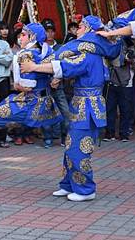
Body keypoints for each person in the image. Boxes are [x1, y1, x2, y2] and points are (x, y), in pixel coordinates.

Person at [19, 15, 121, 202]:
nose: (78, 29)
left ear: (90, 31)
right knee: (70, 147)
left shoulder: (89, 54)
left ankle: (85, 189)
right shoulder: (90, 52)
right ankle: (69, 184)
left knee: (79, 149)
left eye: (81, 26)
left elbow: (66, 66)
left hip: (88, 107)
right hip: (80, 104)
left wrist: (34, 66)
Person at [41, 18, 70, 148]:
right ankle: (48, 137)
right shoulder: (39, 48)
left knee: (65, 112)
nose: (49, 34)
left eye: (52, 31)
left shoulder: (61, 48)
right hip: (43, 86)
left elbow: (67, 66)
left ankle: (65, 137)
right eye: (46, 31)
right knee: (45, 113)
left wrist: (58, 79)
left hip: (59, 86)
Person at [104, 40, 135, 142]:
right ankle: (109, 133)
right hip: (111, 81)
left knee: (125, 110)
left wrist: (131, 60)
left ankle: (124, 134)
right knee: (110, 109)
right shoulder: (111, 47)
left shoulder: (131, 48)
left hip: (125, 84)